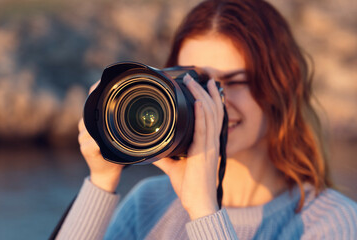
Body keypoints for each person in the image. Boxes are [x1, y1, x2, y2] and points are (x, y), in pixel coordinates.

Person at [56, 0, 357, 239]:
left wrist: (203, 209)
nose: (212, 100)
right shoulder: (149, 204)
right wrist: (102, 179)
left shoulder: (331, 222)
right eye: (195, 81)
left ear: (281, 86)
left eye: (236, 81)